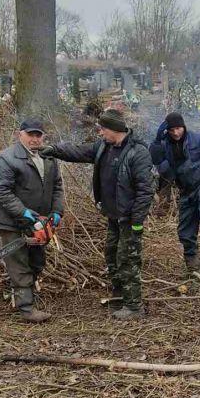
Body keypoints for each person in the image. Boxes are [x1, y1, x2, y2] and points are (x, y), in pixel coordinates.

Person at [41, 109, 155, 321]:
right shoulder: (103, 147)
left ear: (114, 129)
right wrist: (53, 150)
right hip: (113, 216)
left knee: (127, 259)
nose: (100, 132)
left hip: (129, 219)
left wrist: (137, 222)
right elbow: (77, 152)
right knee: (112, 255)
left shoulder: (138, 152)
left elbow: (145, 191)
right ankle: (120, 296)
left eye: (103, 129)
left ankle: (134, 306)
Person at [0, 118, 64, 323]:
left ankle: (26, 297)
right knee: (18, 263)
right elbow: (0, 191)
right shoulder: (7, 158)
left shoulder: (48, 157)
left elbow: (57, 186)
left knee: (36, 261)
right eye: (30, 134)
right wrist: (23, 212)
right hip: (12, 221)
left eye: (38, 134)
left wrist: (57, 211)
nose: (34, 138)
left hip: (39, 222)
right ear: (20, 134)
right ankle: (26, 308)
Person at [150, 112, 200, 274]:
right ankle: (192, 260)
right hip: (185, 189)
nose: (175, 133)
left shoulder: (198, 139)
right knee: (185, 226)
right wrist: (157, 140)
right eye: (171, 130)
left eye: (178, 128)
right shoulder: (165, 145)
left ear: (184, 127)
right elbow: (156, 160)